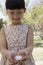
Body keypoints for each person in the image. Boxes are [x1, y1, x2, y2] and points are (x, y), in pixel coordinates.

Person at [0, 0, 35, 65]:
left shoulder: (28, 28)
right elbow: (2, 49)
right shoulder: (3, 30)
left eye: (19, 12)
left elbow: (30, 46)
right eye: (12, 12)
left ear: (24, 11)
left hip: (26, 61)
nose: (15, 16)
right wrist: (9, 54)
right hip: (9, 61)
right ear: (7, 11)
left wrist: (25, 51)